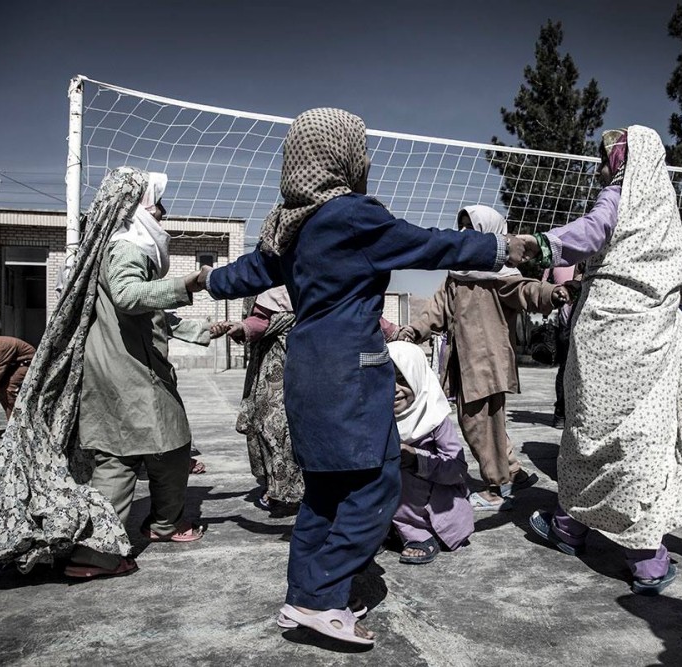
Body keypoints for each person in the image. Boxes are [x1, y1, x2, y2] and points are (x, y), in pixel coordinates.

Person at [202, 108, 527, 646]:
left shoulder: (290, 223)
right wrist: (507, 248)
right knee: (376, 485)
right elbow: (430, 244)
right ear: (340, 155)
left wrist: (200, 278)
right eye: (362, 147)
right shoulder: (352, 215)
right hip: (349, 372)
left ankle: (302, 597)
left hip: (306, 370)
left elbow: (248, 273)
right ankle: (324, 599)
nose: (369, 158)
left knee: (325, 491)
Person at [517, 126, 682, 595]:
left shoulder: (621, 193)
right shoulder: (665, 206)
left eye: (607, 157)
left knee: (591, 433)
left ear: (627, 159)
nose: (601, 167)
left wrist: (538, 244)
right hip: (652, 335)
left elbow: (591, 233)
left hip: (607, 333)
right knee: (641, 440)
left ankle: (631, 550)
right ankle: (607, 541)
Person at [0, 167, 217, 577]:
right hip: (130, 370)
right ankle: (160, 526)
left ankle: (94, 552)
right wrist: (192, 282)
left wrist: (203, 329)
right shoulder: (128, 247)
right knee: (170, 445)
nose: (162, 210)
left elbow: (148, 314)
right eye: (156, 201)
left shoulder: (113, 248)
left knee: (118, 455)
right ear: (133, 207)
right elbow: (131, 297)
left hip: (113, 366)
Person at [399, 205, 570, 511]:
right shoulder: (457, 275)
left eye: (472, 227)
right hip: (463, 362)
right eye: (461, 226)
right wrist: (414, 330)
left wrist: (550, 293)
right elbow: (436, 310)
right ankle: (513, 473)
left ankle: (496, 487)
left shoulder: (498, 274)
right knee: (490, 424)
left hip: (487, 361)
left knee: (477, 424)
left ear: (490, 233)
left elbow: (526, 290)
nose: (464, 233)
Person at [388, 341, 474, 565]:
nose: (394, 388)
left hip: (430, 507)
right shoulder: (377, 416)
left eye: (402, 378)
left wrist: (417, 459)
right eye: (386, 378)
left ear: (417, 376)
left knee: (406, 478)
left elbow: (457, 469)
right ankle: (389, 530)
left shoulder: (434, 418)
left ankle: (420, 534)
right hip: (392, 507)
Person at [228, 285, 302, 515]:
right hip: (268, 361)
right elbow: (260, 319)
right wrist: (244, 327)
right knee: (267, 424)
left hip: (297, 359)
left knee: (286, 427)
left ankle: (292, 490)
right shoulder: (265, 277)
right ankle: (279, 487)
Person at [545, 265, 577, 428]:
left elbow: (542, 285)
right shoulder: (558, 262)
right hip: (569, 324)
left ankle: (562, 413)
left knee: (566, 369)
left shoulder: (557, 261)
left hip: (574, 322)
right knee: (566, 368)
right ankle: (561, 412)